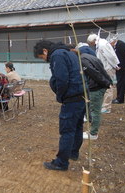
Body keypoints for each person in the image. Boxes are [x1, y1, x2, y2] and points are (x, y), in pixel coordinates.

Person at [34, 40, 85, 171]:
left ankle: (61, 163)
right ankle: (73, 153)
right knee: (77, 126)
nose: (44, 60)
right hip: (82, 95)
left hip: (71, 98)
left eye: (42, 57)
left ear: (45, 51)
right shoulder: (70, 52)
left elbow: (62, 79)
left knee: (67, 131)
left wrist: (60, 96)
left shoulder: (57, 55)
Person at [74, 47, 113, 140]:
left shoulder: (82, 60)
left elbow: (94, 73)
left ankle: (93, 133)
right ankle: (91, 131)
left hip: (96, 87)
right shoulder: (88, 56)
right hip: (100, 85)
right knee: (94, 110)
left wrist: (106, 83)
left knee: (95, 111)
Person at [87, 34, 120, 114]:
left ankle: (106, 107)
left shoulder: (102, 44)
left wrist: (115, 65)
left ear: (93, 41)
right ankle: (104, 105)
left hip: (108, 68)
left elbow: (110, 56)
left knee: (108, 87)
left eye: (91, 43)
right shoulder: (101, 44)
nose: (91, 45)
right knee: (104, 86)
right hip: (105, 68)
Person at [108, 35, 125, 104]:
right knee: (119, 83)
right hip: (119, 67)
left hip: (123, 67)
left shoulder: (121, 45)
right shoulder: (117, 45)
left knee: (121, 83)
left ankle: (120, 99)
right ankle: (118, 98)